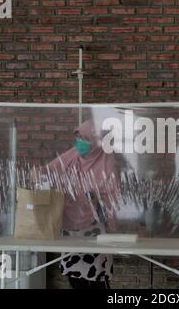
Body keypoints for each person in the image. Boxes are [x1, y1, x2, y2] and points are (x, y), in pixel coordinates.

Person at [45, 119, 120, 289]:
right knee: (75, 278)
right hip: (71, 227)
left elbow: (114, 201)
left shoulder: (108, 164)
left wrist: (114, 231)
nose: (80, 142)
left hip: (96, 230)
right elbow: (50, 169)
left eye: (85, 139)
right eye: (78, 137)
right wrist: (38, 174)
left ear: (95, 142)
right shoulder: (73, 154)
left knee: (97, 279)